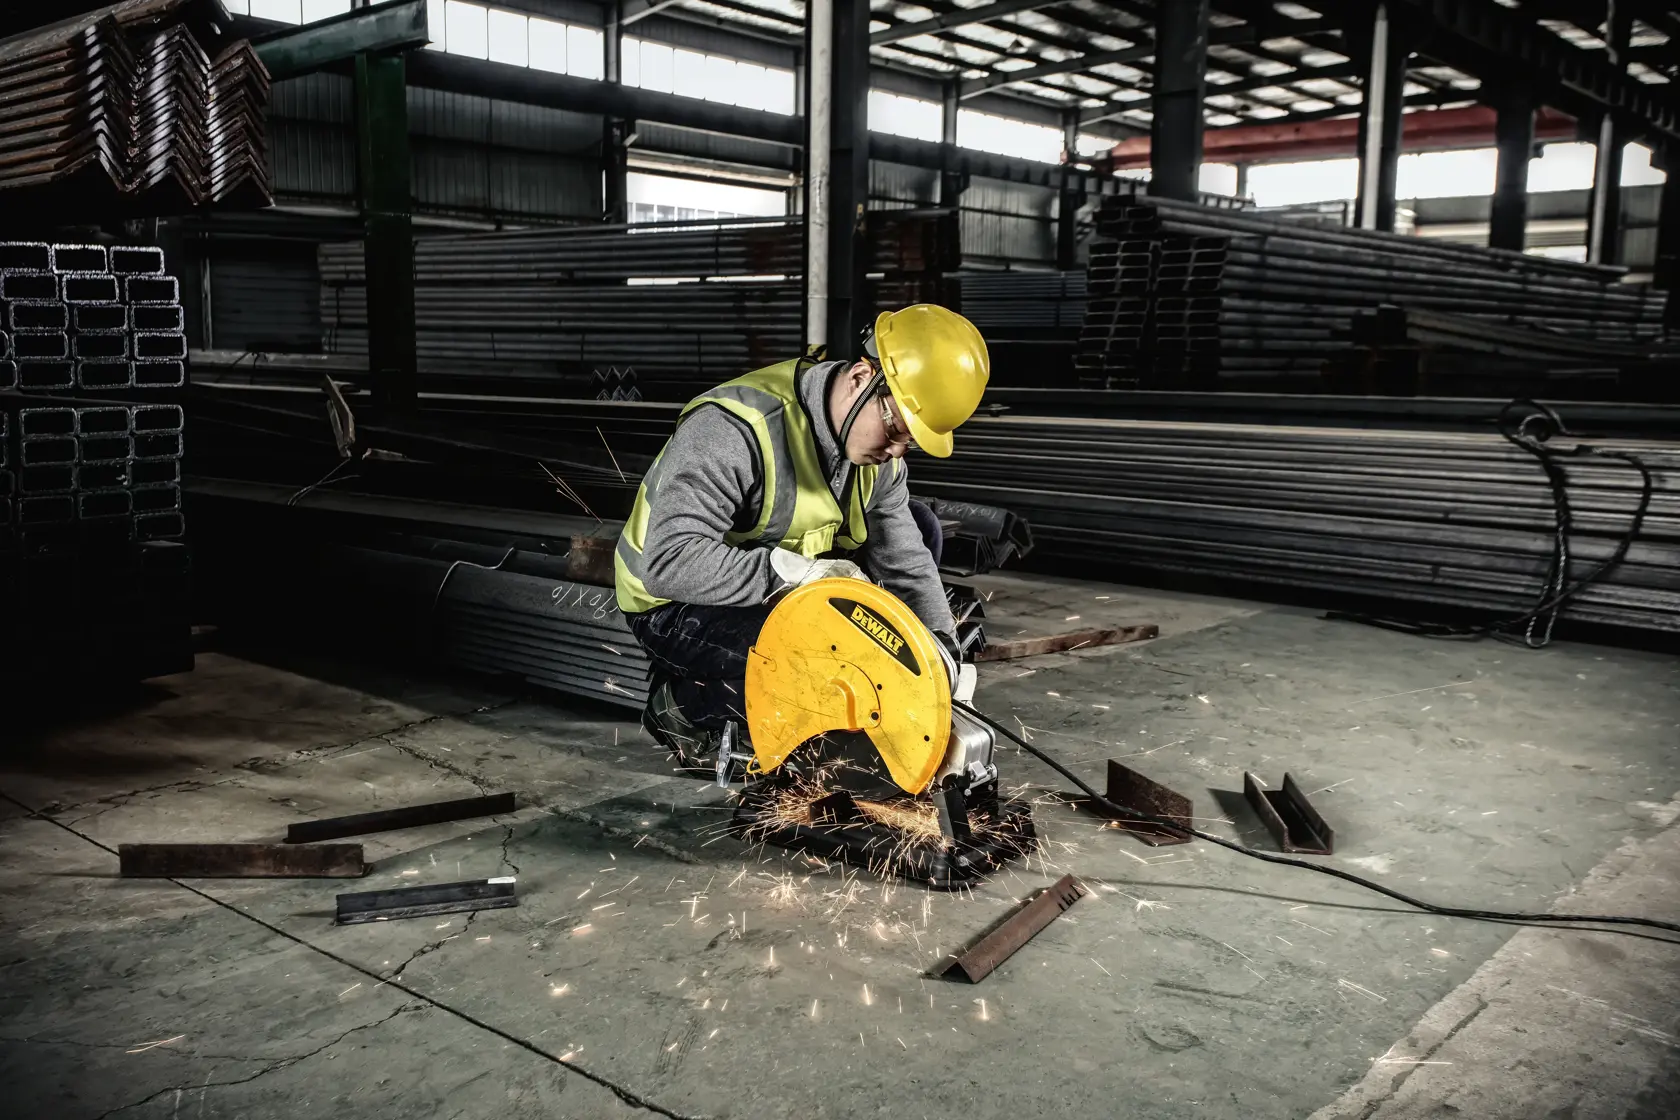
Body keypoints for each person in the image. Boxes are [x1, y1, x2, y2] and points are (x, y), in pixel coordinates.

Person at [614, 303, 990, 762]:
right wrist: (800, 576)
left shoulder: (882, 458)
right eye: (895, 428)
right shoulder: (734, 429)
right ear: (860, 379)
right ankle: (682, 707)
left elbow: (907, 560)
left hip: (781, 581)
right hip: (677, 601)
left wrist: (940, 656)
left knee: (921, 528)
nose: (895, 450)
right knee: (823, 669)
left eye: (909, 441)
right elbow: (669, 564)